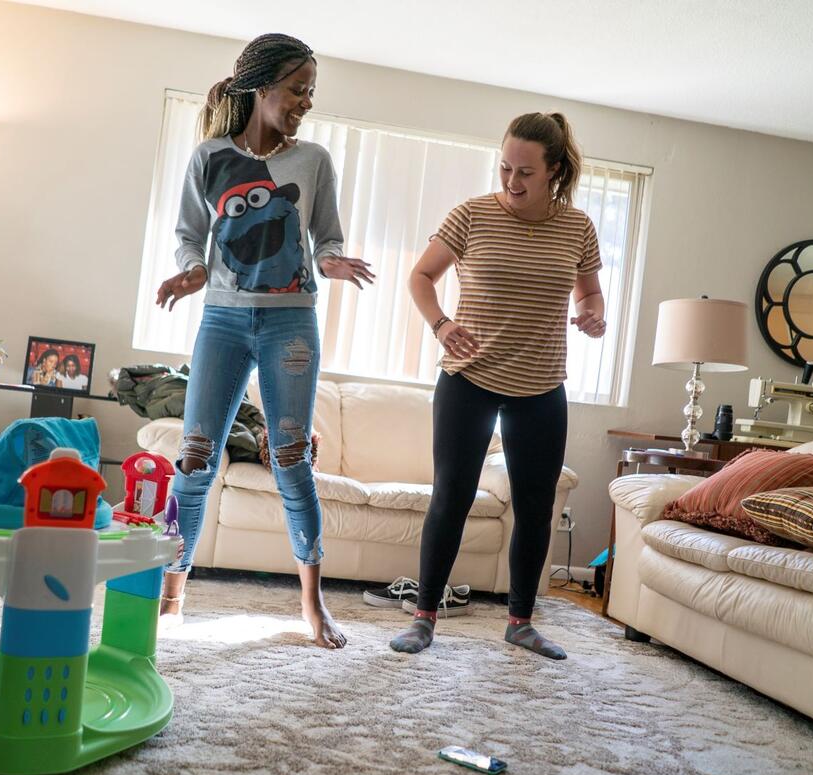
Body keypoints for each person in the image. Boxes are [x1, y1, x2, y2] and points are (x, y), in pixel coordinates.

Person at [155, 33, 374, 648]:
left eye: (310, 92)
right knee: (195, 459)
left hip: (290, 324)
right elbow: (188, 235)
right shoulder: (209, 157)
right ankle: (174, 595)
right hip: (222, 320)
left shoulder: (313, 161)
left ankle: (312, 605)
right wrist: (192, 271)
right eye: (296, 90)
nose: (305, 102)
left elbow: (325, 237)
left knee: (290, 460)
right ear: (260, 87)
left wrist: (330, 262)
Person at [390, 112, 607, 658]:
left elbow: (589, 293)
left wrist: (593, 315)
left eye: (526, 172)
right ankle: (424, 618)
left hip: (540, 386)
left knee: (536, 508)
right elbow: (420, 276)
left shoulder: (577, 227)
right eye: (506, 167)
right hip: (470, 379)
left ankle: (521, 622)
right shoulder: (472, 215)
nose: (512, 182)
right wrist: (441, 324)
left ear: (554, 170)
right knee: (452, 497)